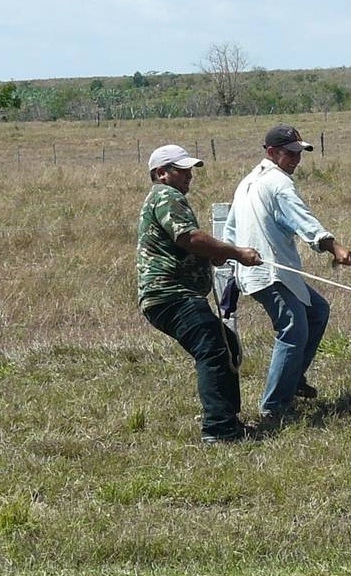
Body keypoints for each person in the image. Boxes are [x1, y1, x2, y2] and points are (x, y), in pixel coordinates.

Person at [223, 124, 351, 422]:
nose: (296, 159)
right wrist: (333, 246)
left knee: (317, 310)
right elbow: (301, 218)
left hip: (264, 271)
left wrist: (233, 263)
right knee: (294, 328)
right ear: (271, 152)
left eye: (299, 153)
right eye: (290, 153)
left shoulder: (247, 182)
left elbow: (230, 229)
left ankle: (293, 379)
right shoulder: (277, 183)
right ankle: (273, 408)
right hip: (269, 273)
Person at [137, 144, 263, 444]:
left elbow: (186, 244)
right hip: (171, 294)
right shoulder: (167, 195)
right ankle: (218, 431)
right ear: (161, 173)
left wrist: (212, 254)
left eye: (189, 170)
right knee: (213, 349)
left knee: (225, 343)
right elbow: (188, 237)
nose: (189, 175)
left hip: (169, 295)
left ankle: (227, 420)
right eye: (181, 170)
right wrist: (235, 252)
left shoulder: (163, 198)